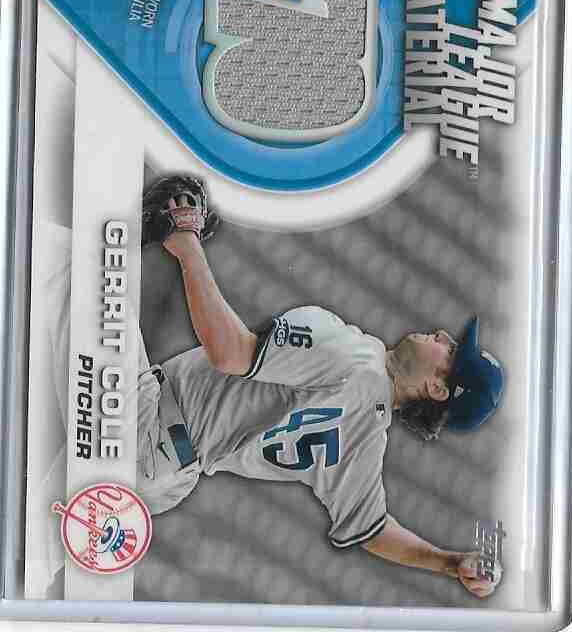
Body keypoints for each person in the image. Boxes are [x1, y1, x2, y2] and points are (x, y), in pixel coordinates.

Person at [136, 177, 505, 599]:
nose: (442, 335)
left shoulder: (355, 359)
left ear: (437, 388)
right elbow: (374, 530)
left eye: (450, 350)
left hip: (144, 424)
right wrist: (448, 562)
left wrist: (186, 244)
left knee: (86, 268)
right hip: (167, 481)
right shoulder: (368, 434)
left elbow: (230, 353)